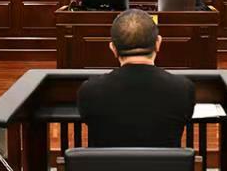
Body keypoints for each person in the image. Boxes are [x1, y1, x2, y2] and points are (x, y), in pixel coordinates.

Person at [77, 9, 195, 147]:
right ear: (158, 43)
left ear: (113, 48)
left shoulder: (89, 90)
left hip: (107, 162)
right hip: (165, 162)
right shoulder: (183, 89)